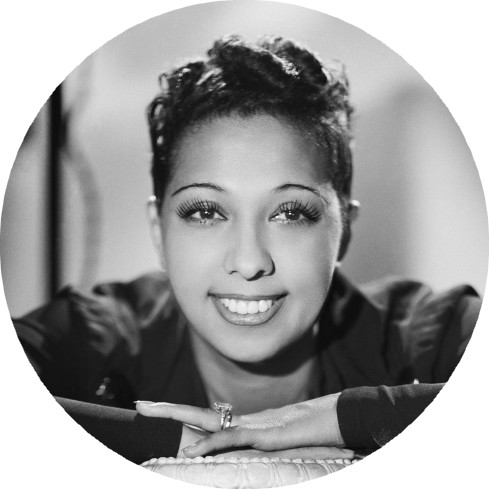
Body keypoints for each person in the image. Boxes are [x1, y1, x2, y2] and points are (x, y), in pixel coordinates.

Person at [12, 35, 480, 466]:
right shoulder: (96, 335)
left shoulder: (425, 335)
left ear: (345, 229)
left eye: (291, 213)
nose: (250, 262)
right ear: (158, 230)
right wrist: (188, 443)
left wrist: (342, 416)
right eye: (206, 212)